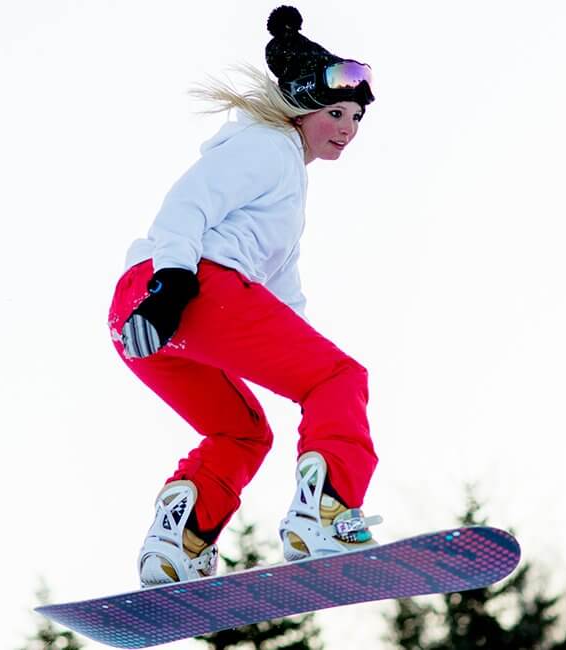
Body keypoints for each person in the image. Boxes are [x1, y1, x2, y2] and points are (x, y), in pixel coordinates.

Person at [107, 5, 381, 588]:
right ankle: (327, 514)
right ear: (300, 110)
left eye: (356, 117)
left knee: (242, 430)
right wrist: (172, 283)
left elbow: (282, 303)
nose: (348, 128)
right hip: (185, 290)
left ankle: (178, 542)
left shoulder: (287, 189)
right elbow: (187, 205)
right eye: (334, 113)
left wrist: (299, 360)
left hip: (143, 317)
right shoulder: (268, 146)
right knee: (341, 380)